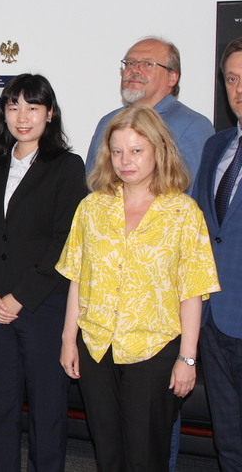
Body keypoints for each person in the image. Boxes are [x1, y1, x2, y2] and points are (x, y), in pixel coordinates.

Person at [58, 106, 220, 472]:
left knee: (145, 456)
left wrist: (187, 359)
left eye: (136, 150)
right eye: (117, 151)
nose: (125, 160)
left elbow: (192, 291)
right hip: (96, 346)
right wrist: (69, 340)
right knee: (107, 452)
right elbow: (78, 277)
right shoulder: (91, 208)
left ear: (158, 150)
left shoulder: (183, 212)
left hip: (154, 350)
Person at [0, 74, 86, 472]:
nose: (22, 117)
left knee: (46, 407)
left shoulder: (67, 167)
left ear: (49, 114)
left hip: (43, 306)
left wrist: (20, 297)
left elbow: (64, 241)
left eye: (33, 107)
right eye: (13, 106)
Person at [192, 36, 242, 470]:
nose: (239, 89)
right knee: (228, 441)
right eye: (232, 79)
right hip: (213, 320)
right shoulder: (215, 146)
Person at [85, 37, 213, 188]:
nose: (134, 70)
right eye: (130, 63)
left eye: (148, 64)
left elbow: (192, 190)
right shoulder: (108, 122)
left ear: (172, 78)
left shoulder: (193, 126)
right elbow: (93, 185)